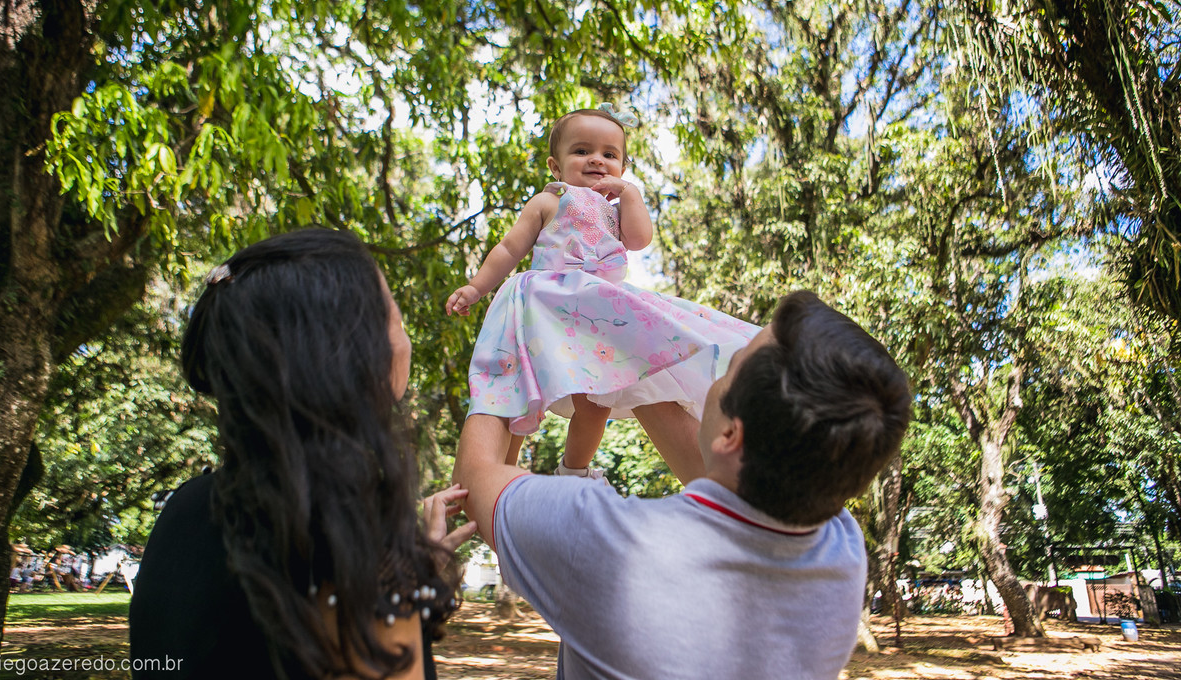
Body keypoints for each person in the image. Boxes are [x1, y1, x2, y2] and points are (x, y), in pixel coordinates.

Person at [453, 290, 912, 680]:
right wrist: (625, 344)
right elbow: (721, 468)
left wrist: (509, 329)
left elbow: (474, 480)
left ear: (731, 434)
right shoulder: (841, 550)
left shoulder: (607, 543)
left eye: (728, 367)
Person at [130, 229, 476, 680]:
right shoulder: (341, 533)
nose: (405, 342)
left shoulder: (186, 507)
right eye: (397, 322)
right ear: (353, 358)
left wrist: (416, 566)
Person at [446, 104, 758, 481]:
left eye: (610, 155)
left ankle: (573, 472)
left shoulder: (615, 210)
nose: (597, 159)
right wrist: (476, 287)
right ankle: (501, 474)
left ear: (622, 168)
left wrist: (630, 194)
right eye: (582, 151)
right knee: (518, 391)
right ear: (556, 166)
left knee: (596, 403)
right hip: (546, 306)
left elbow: (640, 239)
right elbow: (510, 248)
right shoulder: (549, 200)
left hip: (596, 315)